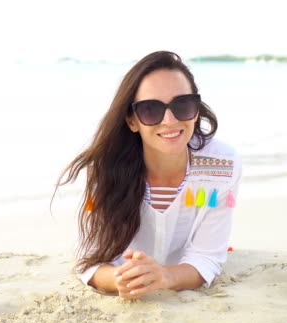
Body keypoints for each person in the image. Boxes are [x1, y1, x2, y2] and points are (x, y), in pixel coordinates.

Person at [54, 51, 242, 299]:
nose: (169, 120)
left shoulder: (221, 164)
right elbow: (88, 260)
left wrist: (165, 276)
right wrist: (120, 279)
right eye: (151, 109)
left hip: (181, 273)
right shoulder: (104, 169)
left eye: (182, 105)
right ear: (132, 121)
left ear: (196, 110)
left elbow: (206, 258)